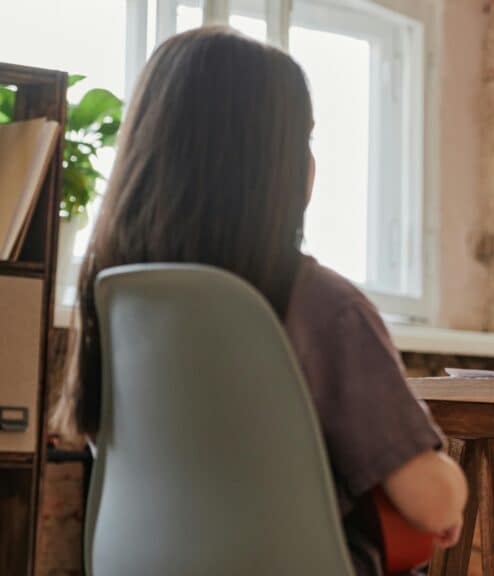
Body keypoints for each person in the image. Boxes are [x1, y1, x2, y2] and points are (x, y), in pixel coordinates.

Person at [50, 27, 467, 576]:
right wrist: (449, 481)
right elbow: (430, 501)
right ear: (273, 164)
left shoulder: (117, 291)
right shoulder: (325, 306)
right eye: (304, 140)